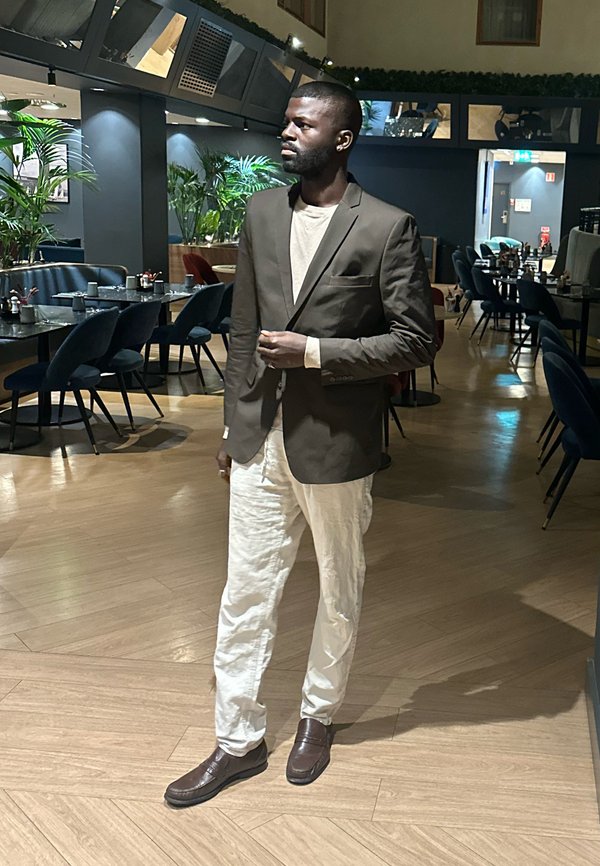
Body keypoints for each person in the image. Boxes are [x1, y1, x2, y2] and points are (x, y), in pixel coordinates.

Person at [165, 81, 436, 807]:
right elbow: (244, 329)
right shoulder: (260, 213)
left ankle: (318, 714)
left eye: (302, 123)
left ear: (341, 139)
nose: (286, 132)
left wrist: (317, 352)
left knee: (338, 588)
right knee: (245, 591)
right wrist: (232, 425)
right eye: (285, 120)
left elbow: (416, 339)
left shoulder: (386, 226)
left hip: (336, 443)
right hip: (259, 438)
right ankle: (237, 739)